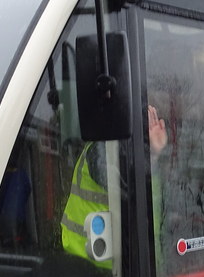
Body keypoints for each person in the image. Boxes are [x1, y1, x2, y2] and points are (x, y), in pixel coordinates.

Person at [61, 105, 166, 263]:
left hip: (140, 266)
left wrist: (154, 154)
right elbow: (125, 187)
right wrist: (151, 154)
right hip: (89, 264)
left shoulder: (142, 158)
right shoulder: (101, 148)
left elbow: (151, 209)